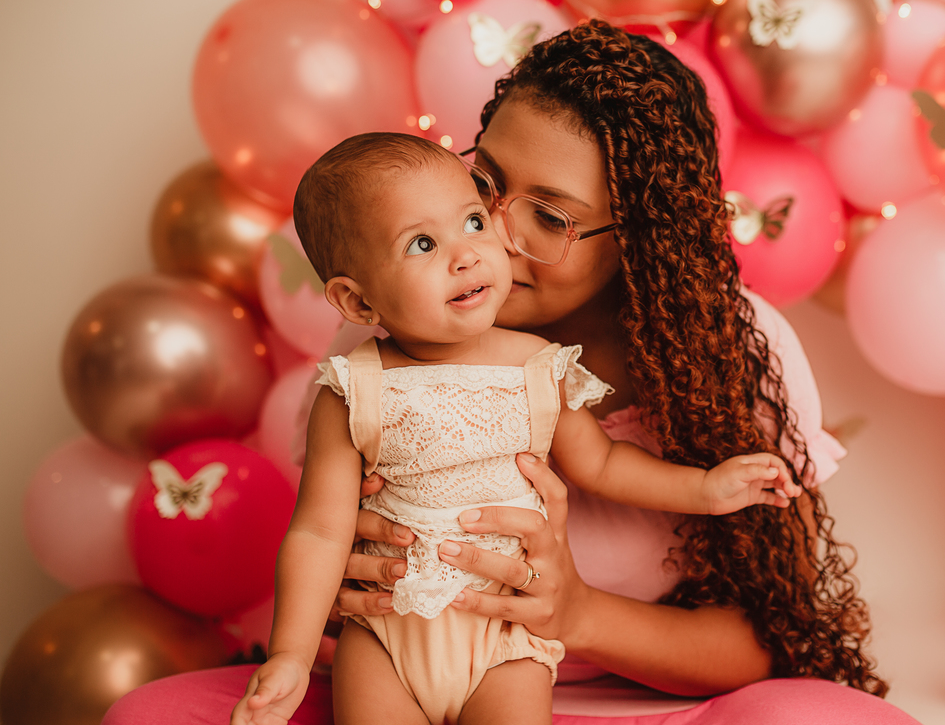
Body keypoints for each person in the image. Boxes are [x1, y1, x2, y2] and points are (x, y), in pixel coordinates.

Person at [105, 20, 912, 725]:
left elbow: (774, 639)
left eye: (552, 216)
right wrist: (332, 612)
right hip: (399, 680)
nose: (487, 231)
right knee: (147, 714)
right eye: (485, 181)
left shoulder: (734, 351)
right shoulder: (393, 329)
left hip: (626, 702)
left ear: (639, 239)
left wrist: (579, 612)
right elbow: (323, 539)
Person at [233, 131, 801, 725]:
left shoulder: (537, 364)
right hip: (383, 635)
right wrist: (291, 655)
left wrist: (706, 489)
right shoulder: (353, 388)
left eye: (474, 222)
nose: (467, 254)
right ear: (357, 302)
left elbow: (601, 463)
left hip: (505, 636)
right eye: (422, 243)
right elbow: (321, 532)